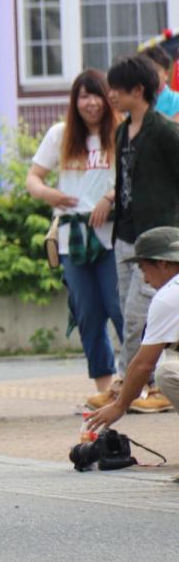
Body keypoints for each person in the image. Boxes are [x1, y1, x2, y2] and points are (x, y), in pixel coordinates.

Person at [25, 70, 124, 406]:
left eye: (96, 95)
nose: (91, 103)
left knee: (121, 308)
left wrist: (109, 198)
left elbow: (135, 177)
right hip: (72, 238)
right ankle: (104, 390)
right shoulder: (61, 135)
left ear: (108, 98)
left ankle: (140, 385)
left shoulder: (121, 131)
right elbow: (33, 178)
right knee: (87, 313)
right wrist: (51, 195)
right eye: (83, 96)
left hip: (111, 237)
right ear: (75, 101)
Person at [103, 54, 179, 413]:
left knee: (138, 314)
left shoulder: (165, 130)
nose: (111, 95)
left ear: (138, 89)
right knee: (126, 312)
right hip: (126, 233)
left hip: (158, 239)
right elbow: (123, 182)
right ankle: (137, 383)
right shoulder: (121, 132)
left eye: (116, 88)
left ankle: (128, 386)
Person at [86, 227, 179, 435]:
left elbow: (144, 364)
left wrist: (119, 405)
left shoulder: (170, 295)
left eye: (144, 269)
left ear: (163, 263)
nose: (145, 279)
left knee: (167, 373)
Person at [140, 45, 179, 121]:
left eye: (156, 70)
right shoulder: (132, 100)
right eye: (147, 70)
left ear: (166, 74)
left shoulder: (176, 100)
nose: (151, 74)